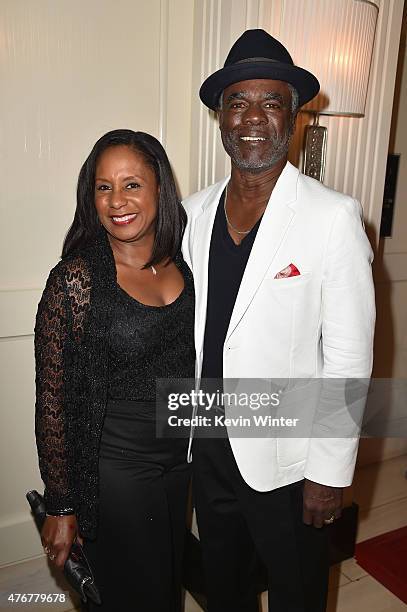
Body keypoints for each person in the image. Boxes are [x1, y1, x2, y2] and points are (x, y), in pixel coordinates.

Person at [182, 29, 375, 612]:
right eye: (238, 103)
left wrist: (330, 471)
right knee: (227, 588)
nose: (253, 119)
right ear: (221, 119)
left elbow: (348, 357)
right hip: (208, 445)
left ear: (292, 118)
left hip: (290, 462)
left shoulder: (333, 217)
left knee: (297, 594)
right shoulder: (191, 212)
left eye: (271, 103)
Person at [35, 129, 195, 611]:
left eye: (132, 184)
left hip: (178, 459)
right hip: (117, 467)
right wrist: (61, 504)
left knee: (168, 589)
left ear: (159, 190)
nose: (116, 201)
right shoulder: (76, 280)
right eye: (103, 187)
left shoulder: (184, 264)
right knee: (136, 596)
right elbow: (53, 401)